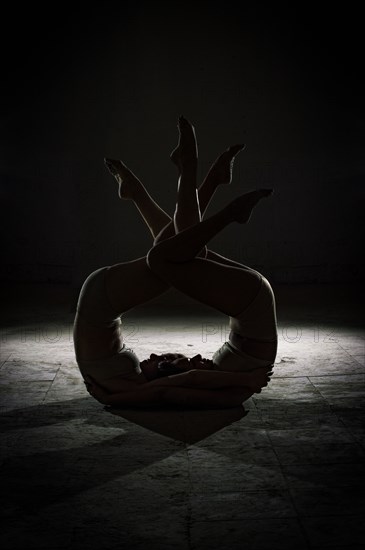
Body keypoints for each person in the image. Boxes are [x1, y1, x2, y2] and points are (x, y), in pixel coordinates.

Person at [74, 116, 277, 409]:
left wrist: (114, 398)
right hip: (249, 302)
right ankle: (195, 180)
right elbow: (174, 389)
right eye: (168, 360)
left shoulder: (124, 385)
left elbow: (176, 386)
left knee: (174, 253)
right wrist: (117, 397)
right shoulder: (234, 387)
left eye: (161, 361)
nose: (155, 356)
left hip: (102, 301)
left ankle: (199, 179)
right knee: (170, 255)